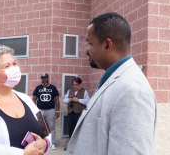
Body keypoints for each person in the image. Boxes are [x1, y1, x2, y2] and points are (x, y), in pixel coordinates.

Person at [66, 12, 157, 155]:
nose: (86, 50)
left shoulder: (132, 91)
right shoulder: (114, 81)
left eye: (90, 43)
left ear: (107, 45)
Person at [33, 73, 60, 150]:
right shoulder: (38, 88)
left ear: (48, 79)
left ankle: (53, 143)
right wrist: (34, 109)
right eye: (42, 78)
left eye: (45, 78)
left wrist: (57, 110)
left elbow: (57, 100)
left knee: (51, 127)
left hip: (50, 110)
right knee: (39, 127)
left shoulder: (53, 88)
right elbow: (34, 99)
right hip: (40, 110)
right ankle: (39, 143)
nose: (44, 79)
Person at [63, 77, 89, 150]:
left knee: (78, 129)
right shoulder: (70, 91)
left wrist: (78, 100)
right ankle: (70, 145)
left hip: (79, 113)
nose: (75, 86)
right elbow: (64, 100)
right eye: (74, 84)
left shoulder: (84, 91)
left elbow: (88, 101)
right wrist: (69, 99)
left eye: (76, 84)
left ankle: (78, 146)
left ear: (80, 84)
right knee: (71, 129)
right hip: (71, 113)